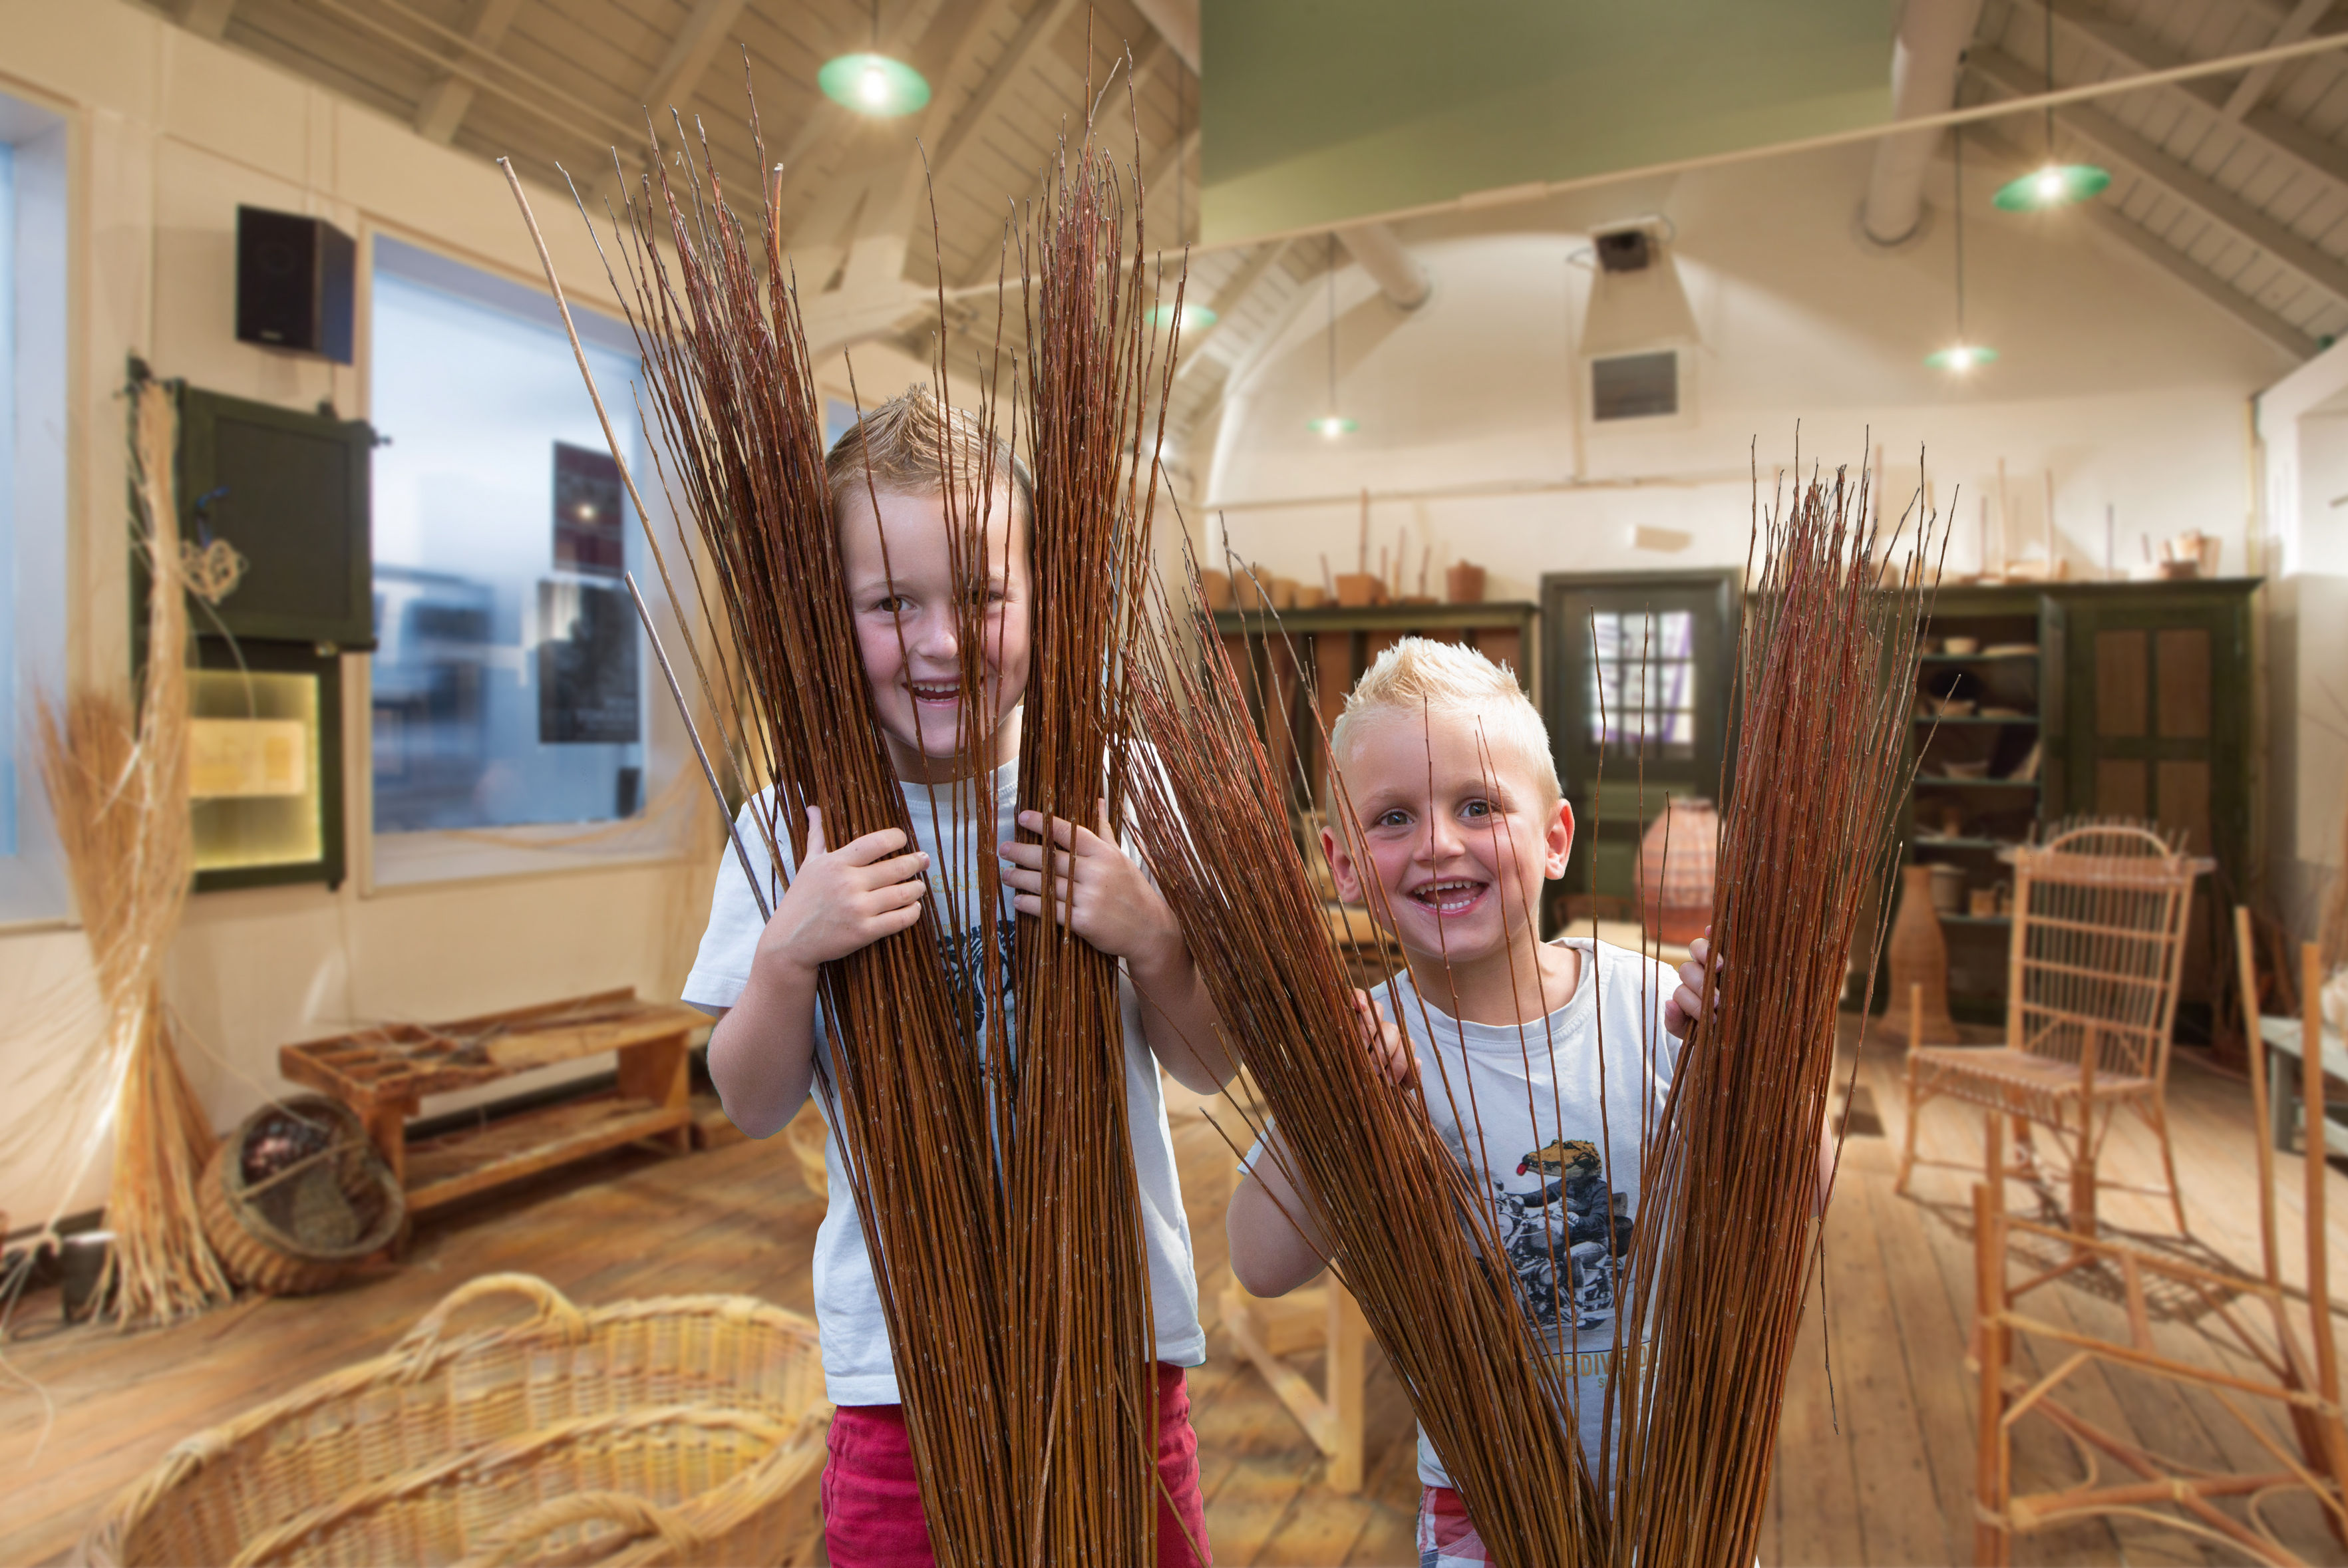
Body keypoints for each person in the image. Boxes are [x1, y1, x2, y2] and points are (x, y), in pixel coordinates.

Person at [685, 389, 1229, 1568]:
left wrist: (1151, 933)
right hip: (900, 1374)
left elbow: (1210, 1055)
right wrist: (788, 952)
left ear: (1043, 594)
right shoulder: (792, 827)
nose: (941, 641)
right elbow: (750, 1097)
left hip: (1113, 1344)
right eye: (891, 603)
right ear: (832, 616)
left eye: (982, 595)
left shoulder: (1116, 786)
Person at [1224, 637, 1719, 1568]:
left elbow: (1802, 1191)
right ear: (1341, 864)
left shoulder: (1652, 1013)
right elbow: (1257, 1263)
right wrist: (1332, 1108)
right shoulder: (1364, 1042)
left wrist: (1748, 1056)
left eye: (1478, 804)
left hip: (1683, 1488)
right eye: (1394, 816)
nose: (1438, 842)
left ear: (1556, 836)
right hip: (1481, 1505)